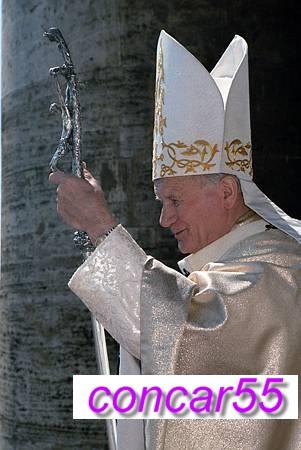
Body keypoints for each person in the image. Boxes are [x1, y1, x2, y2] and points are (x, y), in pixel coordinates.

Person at [49, 31, 301, 450]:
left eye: (174, 200)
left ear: (225, 192)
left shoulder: (276, 273)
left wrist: (100, 227)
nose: (164, 218)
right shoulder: (237, 264)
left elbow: (182, 329)